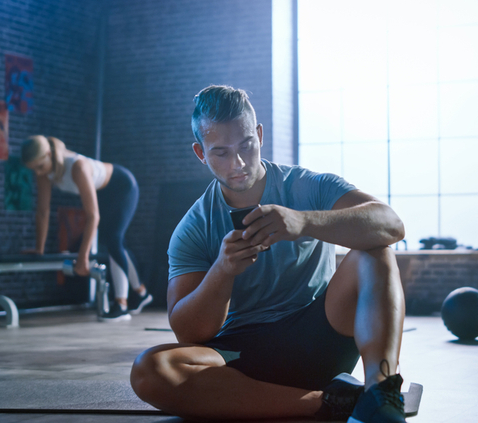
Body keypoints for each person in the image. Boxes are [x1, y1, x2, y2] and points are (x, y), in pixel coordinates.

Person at [130, 85, 408, 423]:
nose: (239, 163)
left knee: (373, 252)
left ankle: (380, 394)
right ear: (201, 154)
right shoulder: (193, 227)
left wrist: (304, 221)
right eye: (221, 152)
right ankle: (334, 402)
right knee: (149, 369)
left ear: (259, 134)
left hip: (319, 335)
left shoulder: (306, 186)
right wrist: (223, 271)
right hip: (242, 356)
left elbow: (391, 224)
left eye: (246, 145)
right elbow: (189, 333)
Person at [21, 135, 153, 321]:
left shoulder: (77, 166)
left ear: (49, 154)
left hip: (122, 187)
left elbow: (92, 216)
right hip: (104, 192)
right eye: (34, 169)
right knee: (116, 241)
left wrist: (83, 257)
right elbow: (42, 211)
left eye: (40, 167)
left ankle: (121, 305)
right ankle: (140, 292)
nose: (39, 173)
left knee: (113, 238)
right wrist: (39, 249)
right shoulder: (43, 173)